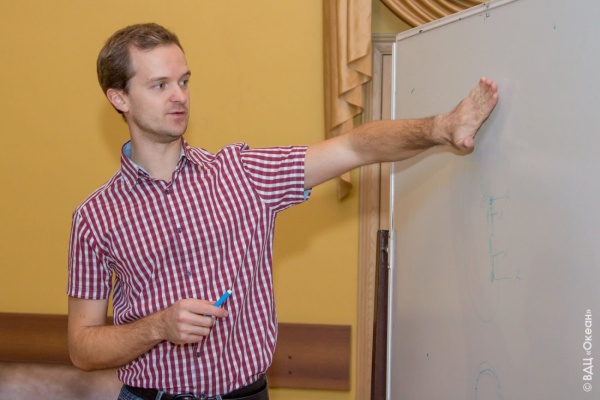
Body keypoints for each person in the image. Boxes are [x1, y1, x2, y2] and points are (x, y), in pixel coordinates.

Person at [67, 23, 498, 400]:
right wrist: (157, 327)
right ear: (119, 97)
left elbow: (355, 146)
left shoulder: (242, 174)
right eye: (160, 85)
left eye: (184, 81)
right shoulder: (95, 216)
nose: (179, 96)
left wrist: (441, 128)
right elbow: (82, 347)